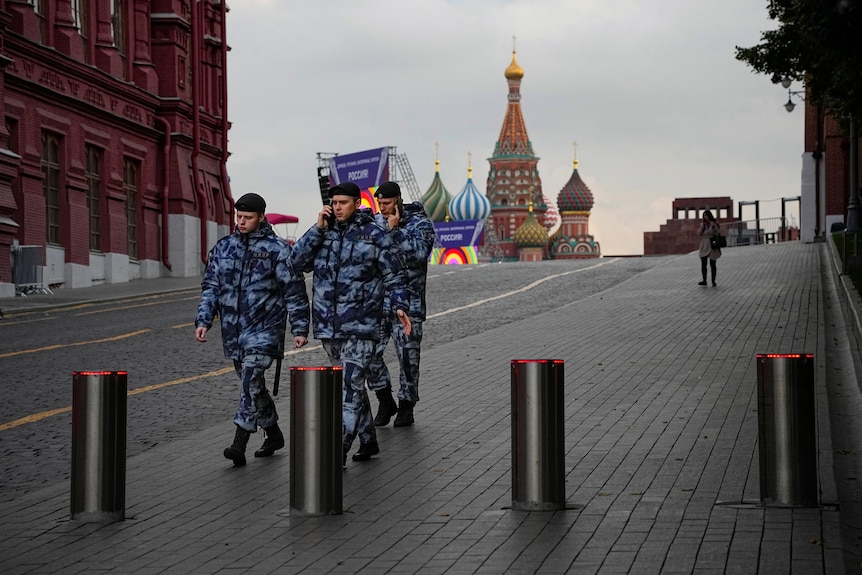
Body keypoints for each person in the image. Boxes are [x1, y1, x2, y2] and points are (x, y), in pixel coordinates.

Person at [290, 181, 412, 465]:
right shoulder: (323, 233)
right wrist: (317, 229)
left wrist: (400, 306)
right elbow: (295, 262)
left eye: (343, 203)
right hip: (329, 327)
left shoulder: (375, 235)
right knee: (353, 388)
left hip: (361, 325)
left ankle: (337, 450)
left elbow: (395, 274)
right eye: (334, 203)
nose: (337, 208)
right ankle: (368, 441)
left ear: (357, 203)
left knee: (349, 386)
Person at [195, 193, 309, 467]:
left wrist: (300, 328)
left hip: (265, 328)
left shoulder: (278, 250)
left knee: (249, 379)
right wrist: (203, 320)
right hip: (235, 331)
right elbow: (211, 288)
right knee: (254, 385)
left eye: (247, 217)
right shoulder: (224, 248)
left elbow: (294, 291)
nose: (242, 221)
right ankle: (273, 433)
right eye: (239, 217)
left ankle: (239, 443)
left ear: (260, 217)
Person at [366, 181, 436, 427]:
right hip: (376, 303)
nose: (382, 208)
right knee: (368, 355)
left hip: (409, 304)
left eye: (386, 203)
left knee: (408, 358)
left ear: (397, 200)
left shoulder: (420, 224)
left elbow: (418, 255)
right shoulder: (374, 223)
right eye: (379, 203)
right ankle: (384, 399)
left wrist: (395, 231)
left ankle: (407, 405)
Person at [697, 210, 722, 287]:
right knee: (703, 264)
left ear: (709, 216)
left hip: (712, 245)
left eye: (706, 215)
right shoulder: (703, 225)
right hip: (704, 245)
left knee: (712, 264)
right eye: (704, 215)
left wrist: (712, 227)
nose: (705, 217)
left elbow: (717, 233)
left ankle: (713, 281)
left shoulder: (714, 224)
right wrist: (702, 227)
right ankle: (704, 280)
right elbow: (698, 234)